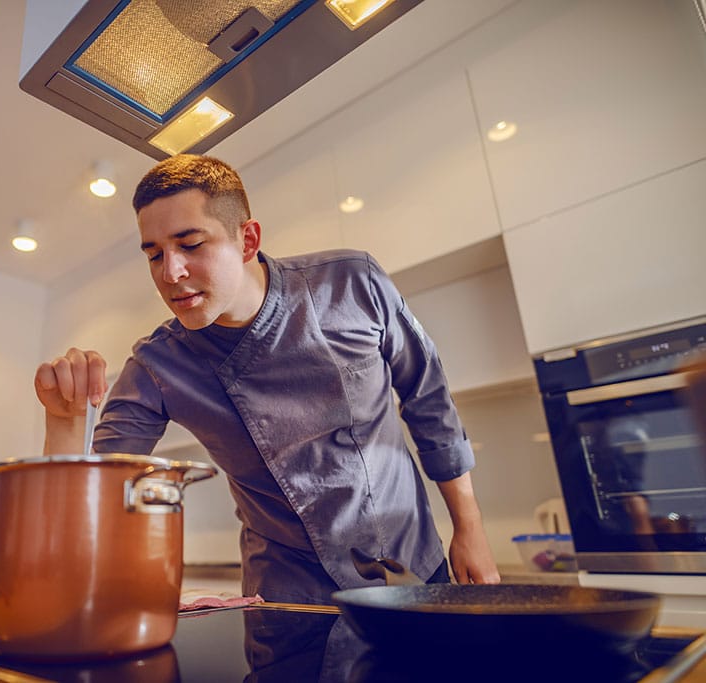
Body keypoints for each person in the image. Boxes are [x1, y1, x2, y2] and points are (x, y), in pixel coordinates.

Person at [34, 154, 500, 603]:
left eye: (191, 245)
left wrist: (469, 526)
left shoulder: (352, 283)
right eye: (154, 255)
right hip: (287, 604)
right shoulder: (158, 365)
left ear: (248, 241)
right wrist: (64, 419)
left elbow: (428, 398)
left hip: (413, 568)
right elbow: (85, 506)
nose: (170, 273)